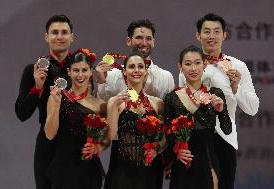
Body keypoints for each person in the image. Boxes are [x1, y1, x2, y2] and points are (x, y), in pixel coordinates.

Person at [178, 13, 259, 189]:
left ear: (224, 35)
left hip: (225, 137)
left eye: (216, 31)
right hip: (195, 137)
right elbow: (180, 108)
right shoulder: (189, 65)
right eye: (207, 31)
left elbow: (252, 109)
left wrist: (236, 87)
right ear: (198, 36)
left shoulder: (237, 66)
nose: (212, 36)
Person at [15, 15, 74, 189]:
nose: (60, 36)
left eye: (64, 32)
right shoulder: (34, 70)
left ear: (72, 37)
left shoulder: (81, 70)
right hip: (47, 143)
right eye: (54, 32)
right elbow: (21, 114)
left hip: (74, 141)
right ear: (46, 37)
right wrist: (38, 87)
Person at [165, 45, 232, 189]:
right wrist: (176, 150)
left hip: (208, 159)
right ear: (180, 67)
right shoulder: (172, 98)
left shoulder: (215, 94)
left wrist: (221, 110)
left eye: (197, 63)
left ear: (204, 64)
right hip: (183, 159)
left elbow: (227, 130)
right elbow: (166, 133)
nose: (193, 68)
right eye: (188, 64)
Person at [44, 49, 107, 189]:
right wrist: (56, 104)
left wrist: (98, 147)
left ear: (91, 71)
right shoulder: (56, 97)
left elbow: (107, 137)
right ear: (69, 71)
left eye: (84, 70)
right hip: (63, 167)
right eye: (76, 70)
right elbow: (49, 134)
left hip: (89, 169)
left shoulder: (100, 104)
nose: (80, 75)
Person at [104, 53, 167, 189]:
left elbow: (166, 136)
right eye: (131, 67)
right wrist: (115, 106)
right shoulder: (115, 101)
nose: (136, 70)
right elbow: (110, 135)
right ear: (125, 72)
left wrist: (157, 149)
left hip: (150, 169)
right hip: (123, 170)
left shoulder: (157, 103)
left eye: (140, 67)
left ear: (145, 72)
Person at [96, 19, 175, 100]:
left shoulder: (166, 78)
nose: (144, 43)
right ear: (129, 41)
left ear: (153, 42)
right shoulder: (110, 75)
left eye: (148, 38)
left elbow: (168, 110)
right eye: (139, 38)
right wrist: (101, 80)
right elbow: (104, 108)